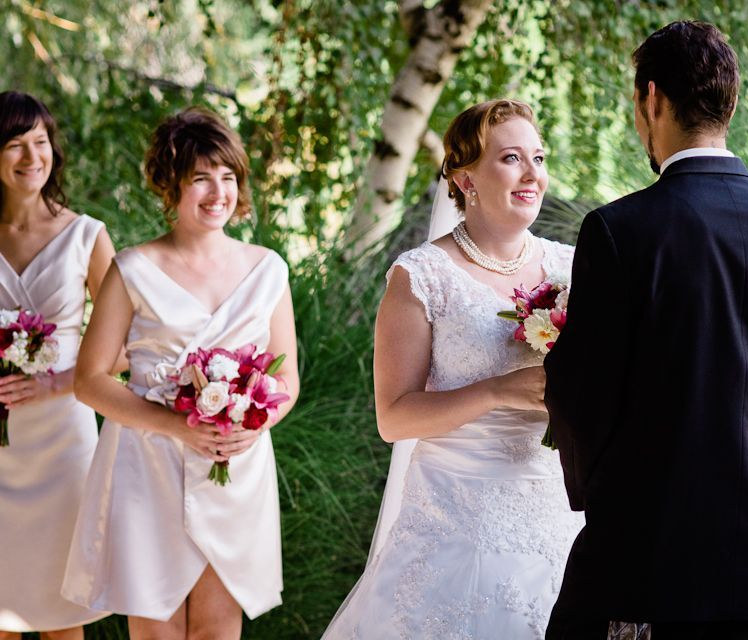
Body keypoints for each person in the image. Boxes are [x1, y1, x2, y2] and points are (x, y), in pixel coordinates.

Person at [543, 21, 748, 640]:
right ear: (729, 102)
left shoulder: (619, 230)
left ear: (651, 99)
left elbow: (580, 398)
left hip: (646, 565)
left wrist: (600, 489)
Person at [321, 99, 584, 639]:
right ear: (465, 178)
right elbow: (393, 418)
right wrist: (495, 392)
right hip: (454, 524)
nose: (533, 173)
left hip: (557, 515)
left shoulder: (571, 266)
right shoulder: (421, 277)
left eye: (539, 156)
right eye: (512, 158)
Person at [60, 107, 299, 639]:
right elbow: (90, 379)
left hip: (234, 465)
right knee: (157, 627)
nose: (218, 192)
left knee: (217, 628)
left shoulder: (268, 270)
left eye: (228, 177)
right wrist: (177, 426)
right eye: (200, 179)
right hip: (147, 464)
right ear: (170, 186)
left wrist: (249, 425)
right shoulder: (132, 268)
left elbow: (286, 382)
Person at [0, 91, 114, 639]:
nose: (31, 157)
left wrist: (57, 384)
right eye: (15, 145)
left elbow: (128, 343)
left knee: (62, 608)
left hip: (64, 440)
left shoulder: (87, 235)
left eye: (40, 142)